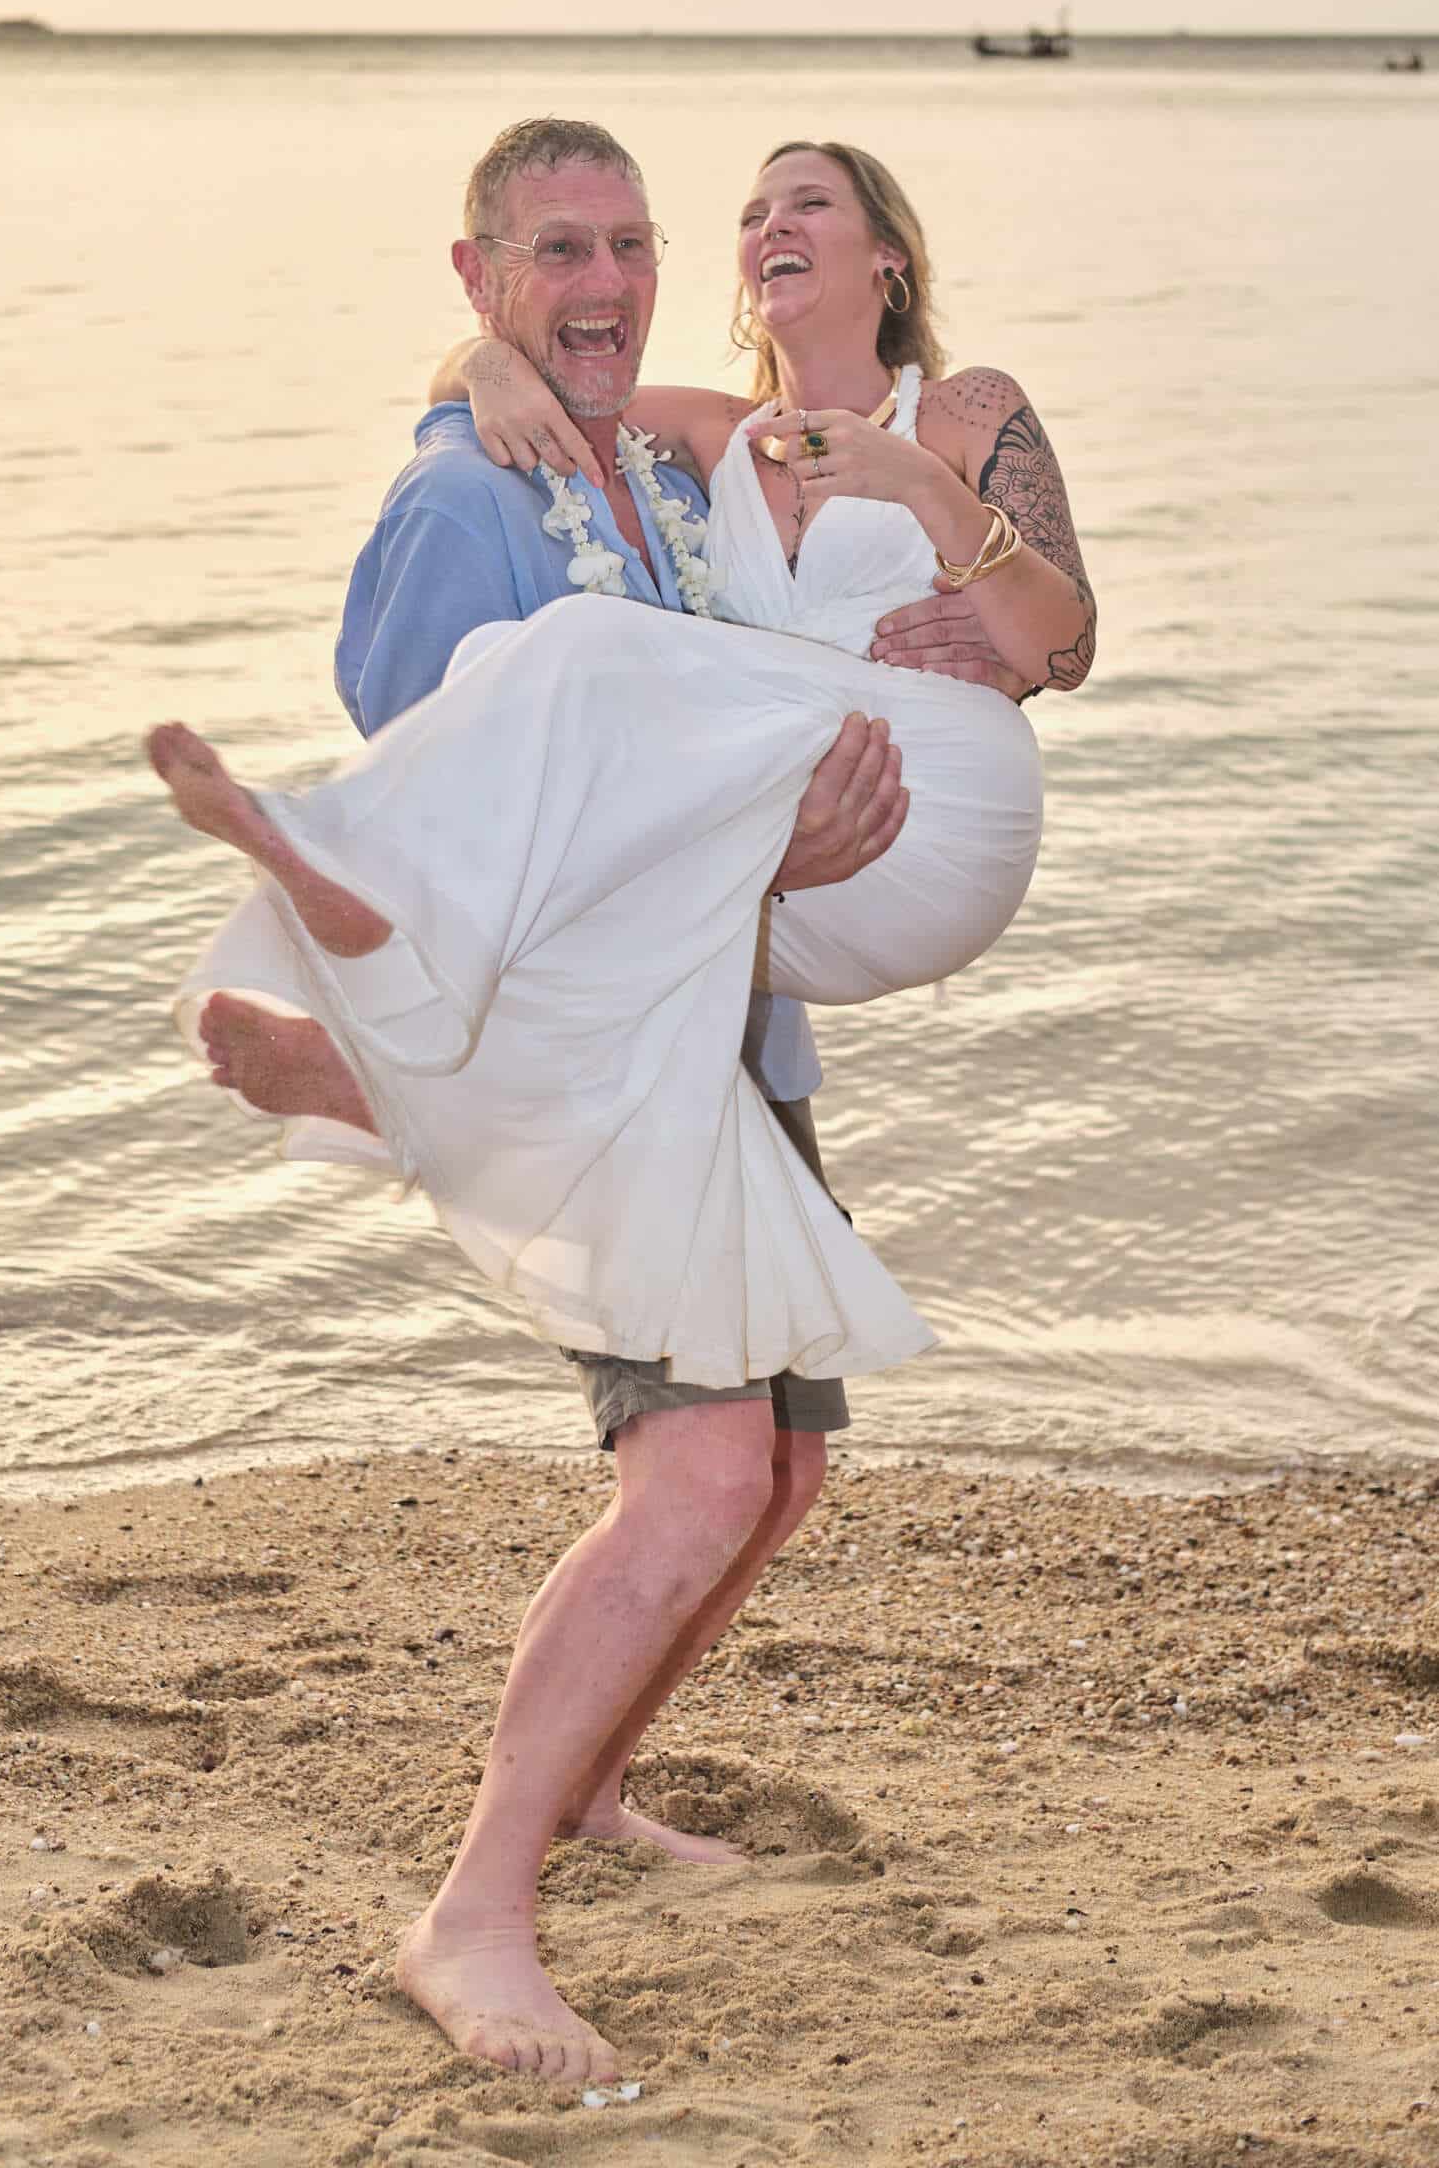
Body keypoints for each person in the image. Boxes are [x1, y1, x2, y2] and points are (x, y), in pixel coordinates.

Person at [148, 120, 1094, 2087]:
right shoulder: (514, 489)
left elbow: (1052, 643)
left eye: (658, 236)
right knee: (703, 1479)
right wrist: (479, 367)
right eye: (565, 251)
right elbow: (482, 775)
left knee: (778, 1469)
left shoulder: (678, 466)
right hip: (640, 1032)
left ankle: (582, 1787)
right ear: (485, 264)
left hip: (735, 1016)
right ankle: (472, 1904)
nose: (731, 243)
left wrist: (905, 506)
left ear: (887, 260)